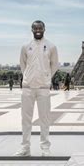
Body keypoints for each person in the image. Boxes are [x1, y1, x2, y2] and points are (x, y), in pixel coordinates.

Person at [15, 20, 59, 157]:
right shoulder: (25, 46)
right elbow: (22, 64)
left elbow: (55, 64)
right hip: (28, 87)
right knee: (25, 119)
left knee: (44, 119)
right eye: (35, 28)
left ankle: (45, 147)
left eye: (40, 28)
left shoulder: (51, 46)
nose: (38, 30)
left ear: (44, 29)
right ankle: (25, 147)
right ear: (31, 30)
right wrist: (27, 76)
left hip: (43, 88)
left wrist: (47, 78)